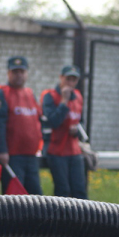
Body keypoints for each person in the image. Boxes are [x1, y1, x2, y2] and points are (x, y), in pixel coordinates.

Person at [0, 56, 43, 194]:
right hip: (12, 156)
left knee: (35, 196)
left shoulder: (30, 94)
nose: (19, 75)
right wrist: (1, 150)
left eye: (21, 72)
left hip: (31, 156)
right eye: (15, 72)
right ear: (9, 73)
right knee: (14, 198)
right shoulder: (0, 94)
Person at [41, 65, 87, 199]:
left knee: (79, 191)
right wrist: (64, 101)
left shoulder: (78, 96)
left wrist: (77, 131)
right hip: (56, 150)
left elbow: (81, 121)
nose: (70, 83)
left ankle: (83, 219)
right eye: (68, 79)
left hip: (74, 150)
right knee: (63, 191)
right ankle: (63, 220)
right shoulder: (49, 96)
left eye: (74, 80)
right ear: (61, 78)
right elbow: (53, 121)